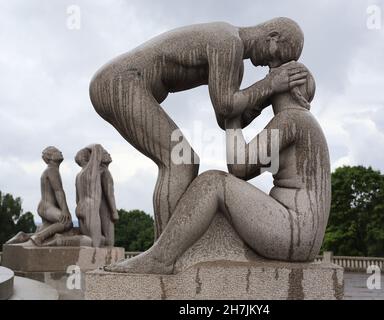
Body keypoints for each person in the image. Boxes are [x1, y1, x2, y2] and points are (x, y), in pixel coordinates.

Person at [89, 17, 309, 239]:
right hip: (119, 82)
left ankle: (167, 249)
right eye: (278, 57)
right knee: (180, 161)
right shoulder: (228, 41)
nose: (272, 67)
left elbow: (226, 118)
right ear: (272, 37)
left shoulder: (235, 63)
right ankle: (164, 252)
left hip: (122, 83)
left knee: (184, 160)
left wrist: (264, 96)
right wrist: (269, 85)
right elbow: (227, 105)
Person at [105, 61, 331, 274]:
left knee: (212, 182)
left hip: (293, 231)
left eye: (275, 77)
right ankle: (168, 253)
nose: (269, 81)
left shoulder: (292, 119)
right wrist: (249, 110)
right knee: (216, 199)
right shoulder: (304, 122)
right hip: (301, 236)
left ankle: (160, 259)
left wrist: (232, 112)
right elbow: (250, 170)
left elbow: (239, 167)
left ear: (290, 87)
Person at [7, 147, 73, 246]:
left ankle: (23, 236)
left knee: (50, 230)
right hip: (47, 207)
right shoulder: (52, 169)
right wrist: (65, 210)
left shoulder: (52, 169)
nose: (60, 152)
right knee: (66, 222)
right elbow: (58, 191)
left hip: (46, 206)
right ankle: (38, 238)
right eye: (56, 151)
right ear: (50, 157)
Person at [75, 144, 105, 247]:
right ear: (85, 157)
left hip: (80, 206)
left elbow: (76, 197)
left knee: (89, 242)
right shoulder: (90, 170)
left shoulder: (79, 175)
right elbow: (97, 148)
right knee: (95, 244)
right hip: (90, 207)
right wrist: (88, 148)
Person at [99, 150, 119, 246]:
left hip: (99, 208)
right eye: (105, 154)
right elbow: (109, 194)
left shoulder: (98, 172)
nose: (109, 154)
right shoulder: (105, 172)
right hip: (105, 209)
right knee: (109, 240)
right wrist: (114, 212)